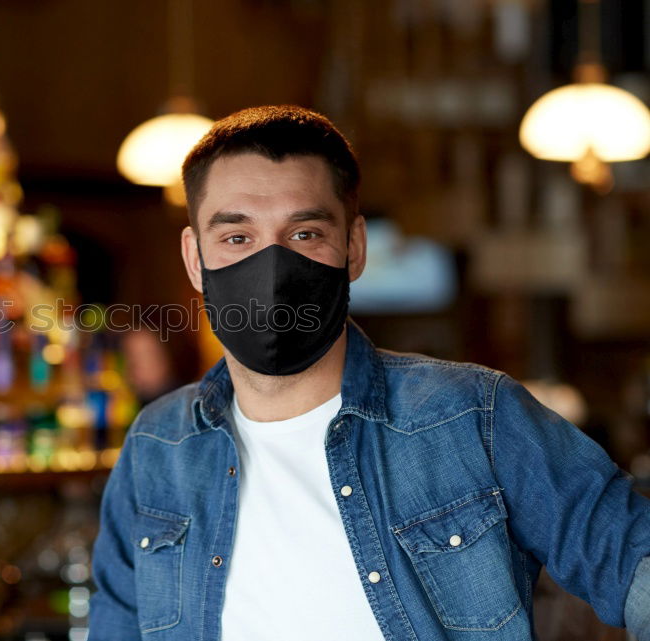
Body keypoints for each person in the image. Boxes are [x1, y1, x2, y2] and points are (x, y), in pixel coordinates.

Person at [88, 105, 650, 640]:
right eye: (237, 238)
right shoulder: (157, 447)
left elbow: (634, 558)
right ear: (194, 259)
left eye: (305, 234)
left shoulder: (474, 416)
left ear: (354, 247)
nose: (272, 268)